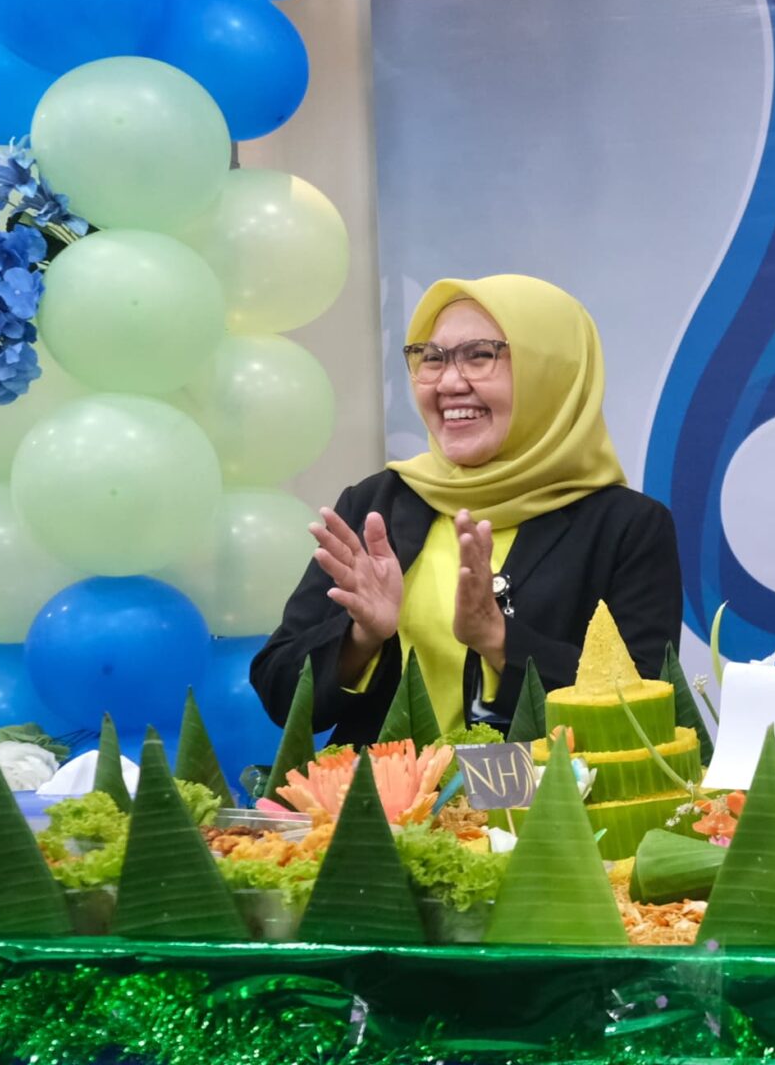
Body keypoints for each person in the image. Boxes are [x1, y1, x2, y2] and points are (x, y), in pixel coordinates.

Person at [253, 275, 682, 747]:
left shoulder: (626, 527)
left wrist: (498, 639)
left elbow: (645, 713)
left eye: (480, 355)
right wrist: (361, 638)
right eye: (433, 358)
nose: (450, 382)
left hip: (546, 794)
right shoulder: (377, 504)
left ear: (550, 372)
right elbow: (278, 689)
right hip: (382, 792)